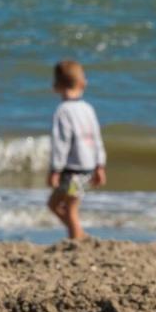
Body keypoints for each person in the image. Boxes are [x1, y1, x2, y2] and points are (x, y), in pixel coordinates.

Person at [46, 60, 106, 240]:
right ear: (83, 83)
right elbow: (96, 138)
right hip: (87, 168)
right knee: (55, 204)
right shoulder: (87, 108)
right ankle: (79, 233)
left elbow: (61, 142)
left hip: (72, 171)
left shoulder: (63, 110)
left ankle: (76, 239)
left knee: (69, 209)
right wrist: (100, 165)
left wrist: (55, 169)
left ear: (56, 86)